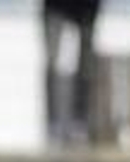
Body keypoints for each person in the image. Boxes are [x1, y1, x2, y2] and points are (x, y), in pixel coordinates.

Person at [43, 0, 101, 148]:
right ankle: (54, 123)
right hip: (55, 5)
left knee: (86, 62)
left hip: (87, 6)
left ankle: (80, 120)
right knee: (52, 59)